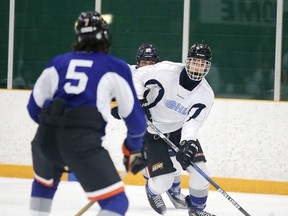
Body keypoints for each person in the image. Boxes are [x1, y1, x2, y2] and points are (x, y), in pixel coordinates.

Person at [27, 11, 147, 216]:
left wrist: (56, 129)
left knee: (43, 185)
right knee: (115, 202)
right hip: (80, 142)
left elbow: (33, 108)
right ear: (105, 36)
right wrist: (133, 148)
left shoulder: (58, 62)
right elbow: (136, 122)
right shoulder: (115, 67)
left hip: (44, 138)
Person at [133, 43, 215, 216]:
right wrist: (139, 101)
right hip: (152, 130)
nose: (197, 67)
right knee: (164, 181)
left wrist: (188, 142)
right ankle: (151, 189)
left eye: (202, 64)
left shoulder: (205, 94)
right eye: (194, 62)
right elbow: (136, 76)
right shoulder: (165, 71)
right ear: (187, 61)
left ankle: (197, 210)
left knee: (201, 172)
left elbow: (193, 122)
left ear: (207, 67)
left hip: (178, 130)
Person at [112, 43, 188, 210]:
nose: (147, 66)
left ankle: (175, 193)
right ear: (138, 62)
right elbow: (115, 105)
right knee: (152, 167)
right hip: (143, 129)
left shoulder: (162, 74)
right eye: (144, 62)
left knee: (175, 162)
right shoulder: (129, 75)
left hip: (165, 125)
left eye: (151, 62)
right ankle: (154, 188)